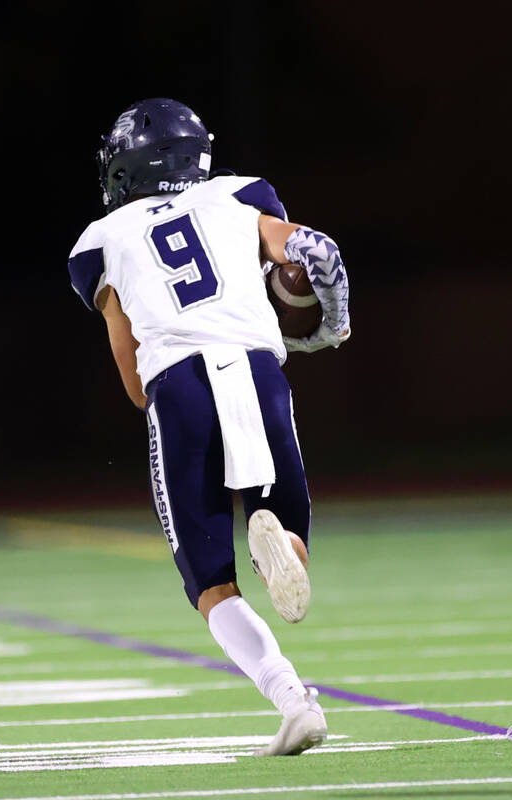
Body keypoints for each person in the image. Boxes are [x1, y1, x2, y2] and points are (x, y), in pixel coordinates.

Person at [67, 98, 351, 756]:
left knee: (209, 584)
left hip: (180, 387)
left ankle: (292, 700)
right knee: (286, 534)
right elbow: (316, 249)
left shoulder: (98, 241)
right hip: (258, 372)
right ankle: (275, 545)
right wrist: (332, 324)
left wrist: (162, 408)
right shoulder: (240, 195)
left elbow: (132, 368)